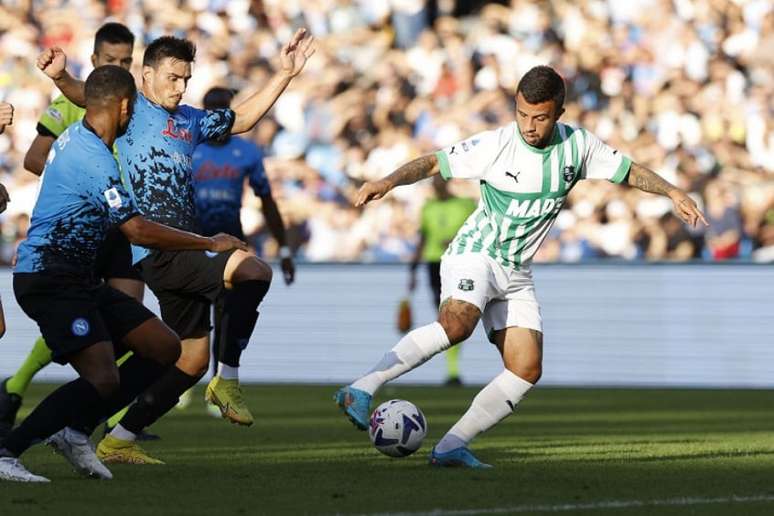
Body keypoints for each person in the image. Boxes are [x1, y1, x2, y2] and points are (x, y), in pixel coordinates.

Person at [335, 66, 707, 468]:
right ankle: (361, 387)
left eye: (540, 117)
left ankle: (451, 446)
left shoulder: (578, 146)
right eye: (522, 114)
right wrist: (387, 182)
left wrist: (672, 190)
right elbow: (432, 164)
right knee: (457, 325)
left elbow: (628, 170)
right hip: (476, 252)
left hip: (516, 272)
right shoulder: (496, 144)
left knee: (526, 368)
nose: (529, 126)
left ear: (559, 113)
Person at [37, 29, 315, 464]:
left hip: (181, 249)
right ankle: (230, 379)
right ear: (146, 75)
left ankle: (114, 439)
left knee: (189, 361)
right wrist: (60, 78)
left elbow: (242, 119)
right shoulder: (130, 111)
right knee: (254, 272)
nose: (180, 87)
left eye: (186, 78)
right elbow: (85, 93)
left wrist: (285, 75)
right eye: (172, 77)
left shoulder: (188, 119)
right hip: (160, 249)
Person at [0, 66, 246, 482]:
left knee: (163, 347)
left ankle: (75, 433)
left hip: (77, 278)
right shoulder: (92, 156)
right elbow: (135, 229)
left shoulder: (80, 137)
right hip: (49, 278)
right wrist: (206, 242)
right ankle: (9, 450)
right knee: (102, 375)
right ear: (126, 106)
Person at [0, 23, 145, 441]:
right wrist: (74, 188)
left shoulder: (128, 110)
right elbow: (33, 160)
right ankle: (20, 386)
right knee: (79, 321)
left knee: (133, 328)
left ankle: (98, 413)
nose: (119, 66)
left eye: (125, 61)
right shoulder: (68, 110)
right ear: (96, 61)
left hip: (114, 229)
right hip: (74, 232)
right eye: (111, 61)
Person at [191, 87, 295, 419]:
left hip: (231, 240)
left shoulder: (247, 152)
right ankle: (182, 379)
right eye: (213, 109)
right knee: (190, 314)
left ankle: (221, 382)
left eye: (224, 109)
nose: (218, 115)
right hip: (191, 238)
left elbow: (267, 200)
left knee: (226, 313)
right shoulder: (186, 147)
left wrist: (286, 247)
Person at [408, 174, 476, 385]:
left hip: (460, 262)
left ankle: (453, 370)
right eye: (433, 183)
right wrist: (412, 270)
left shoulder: (465, 205)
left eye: (439, 182)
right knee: (446, 316)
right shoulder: (427, 208)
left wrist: (457, 241)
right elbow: (423, 238)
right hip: (434, 264)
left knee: (460, 314)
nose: (436, 186)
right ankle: (452, 371)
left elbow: (477, 231)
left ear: (447, 183)